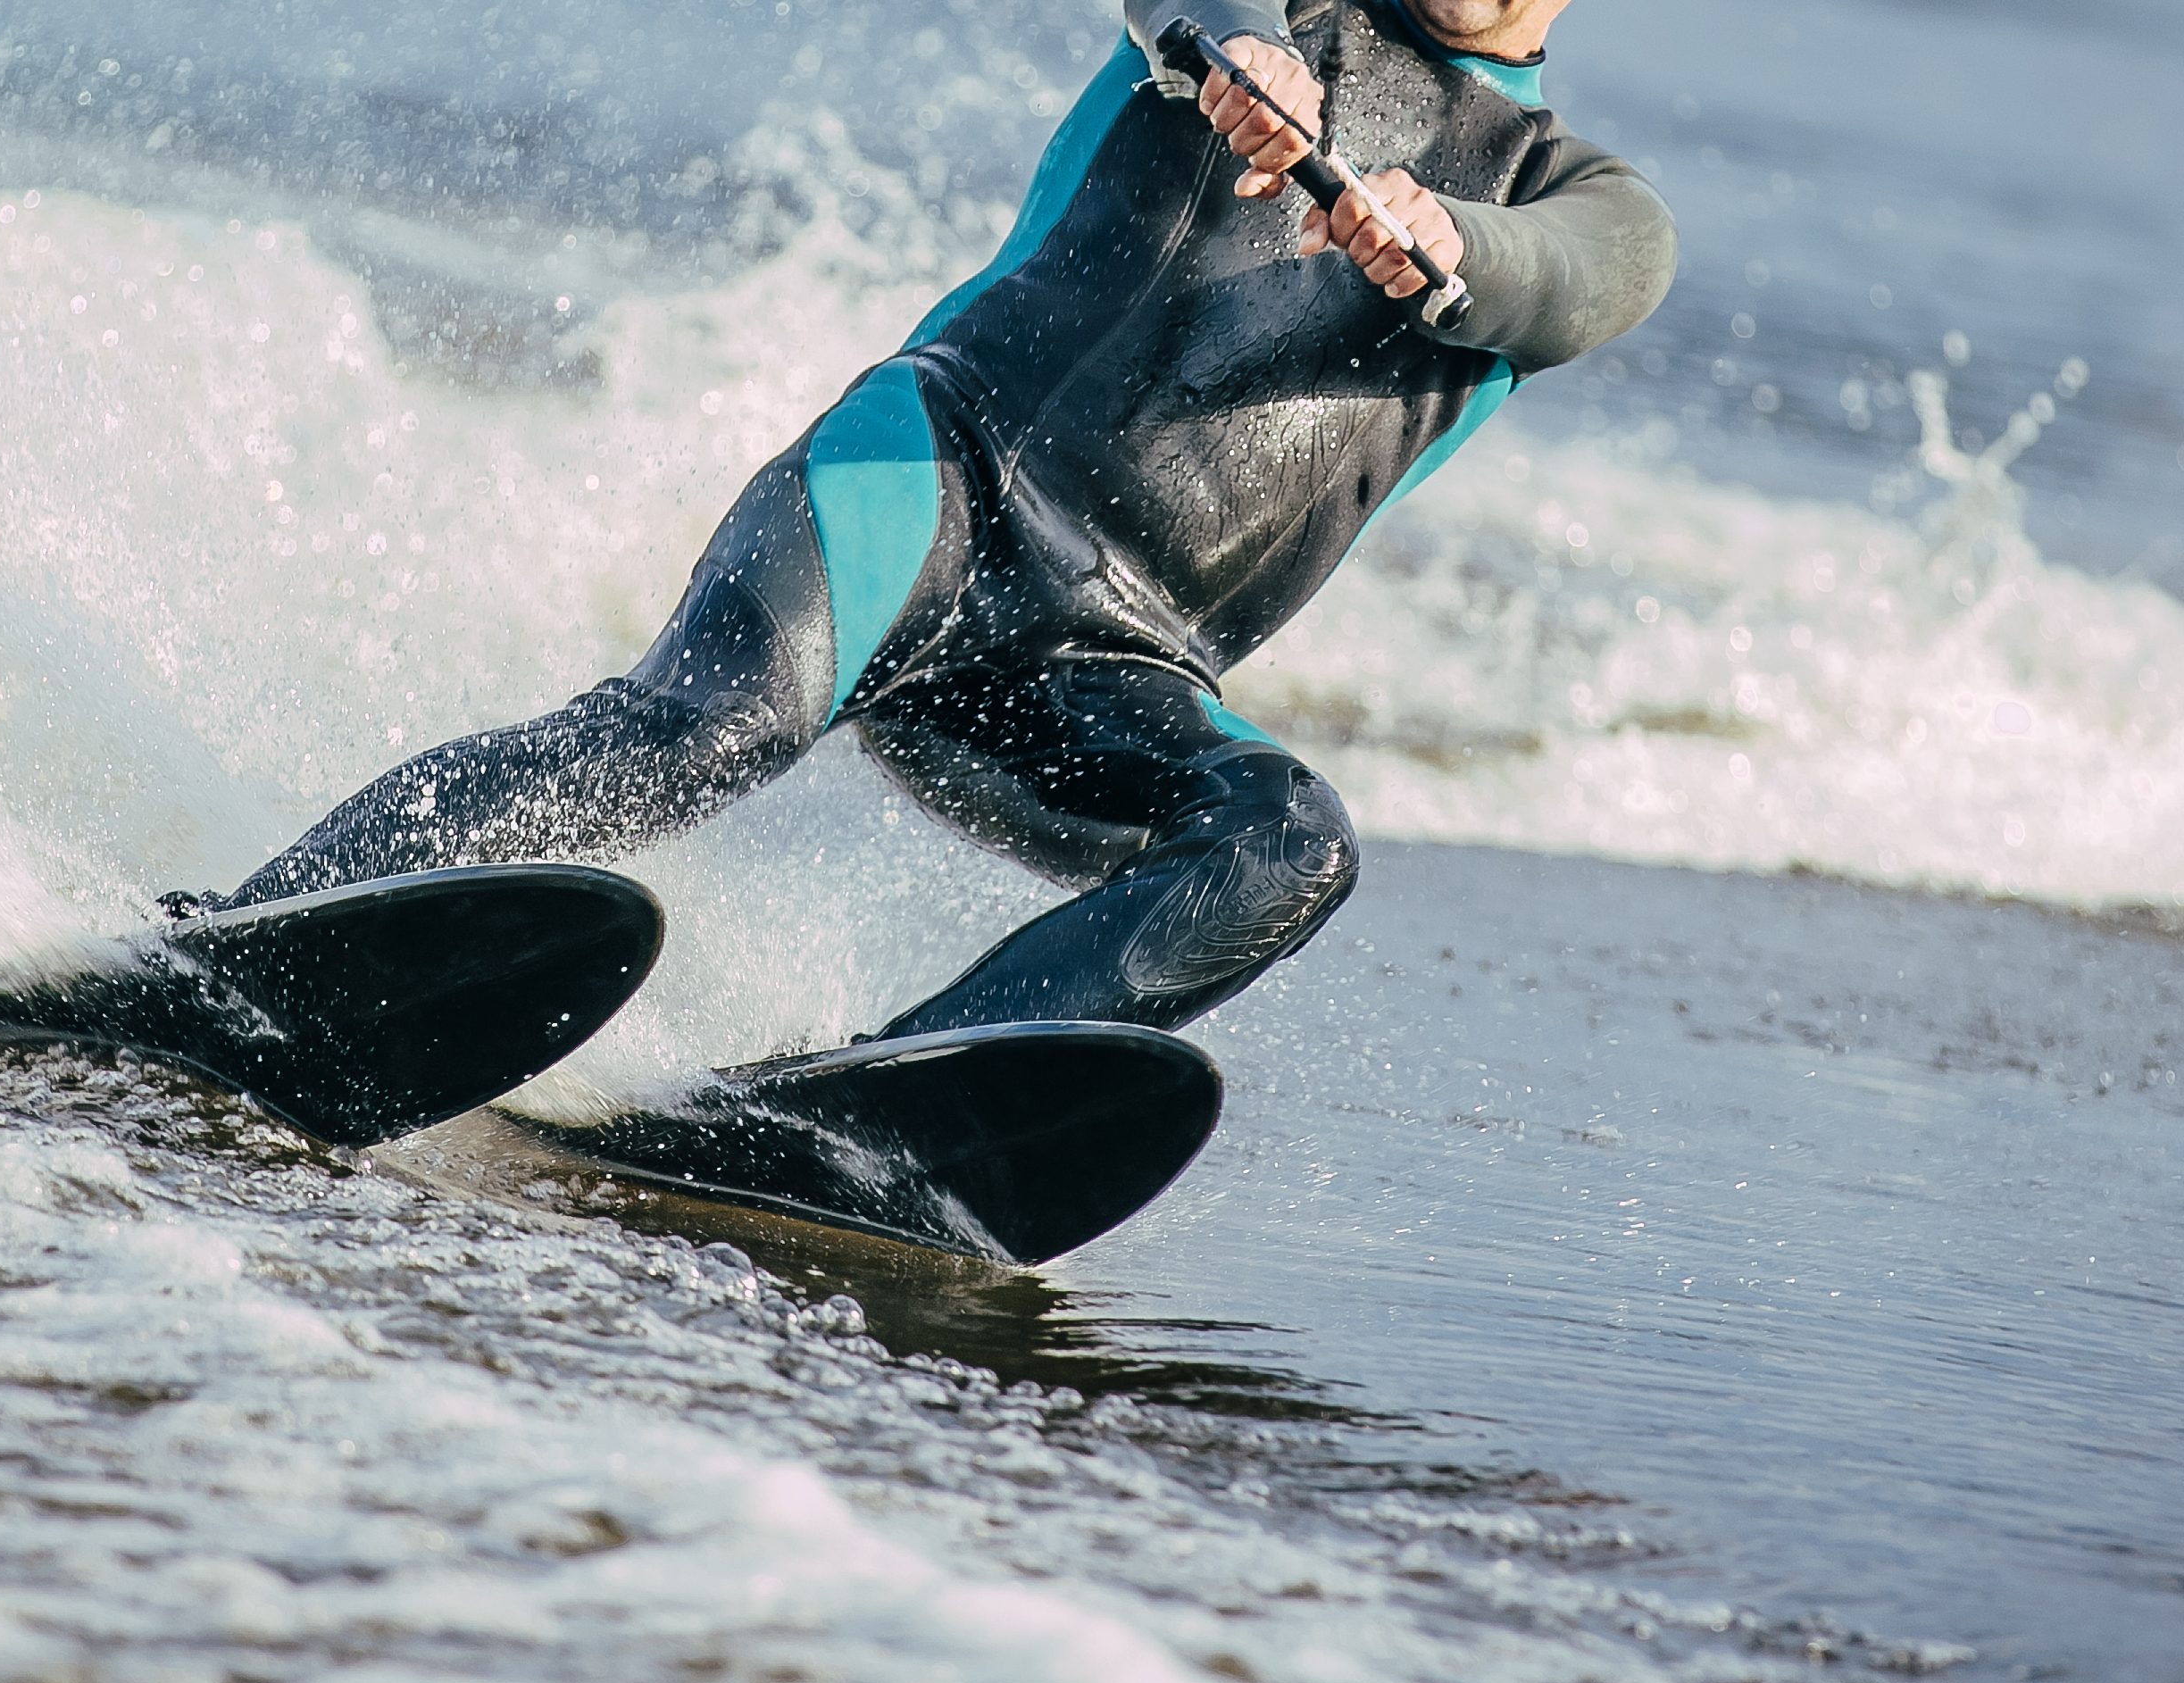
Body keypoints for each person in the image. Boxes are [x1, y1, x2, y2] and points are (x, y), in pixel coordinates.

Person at [204, 0, 1676, 1042]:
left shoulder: (1583, 199)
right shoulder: (1281, 10)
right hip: (934, 483)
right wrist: (1235, 50)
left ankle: (852, 1108)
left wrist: (1443, 237)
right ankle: (236, 938)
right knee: (700, 728)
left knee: (1290, 842)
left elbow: (1574, 273)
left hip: (1106, 672)